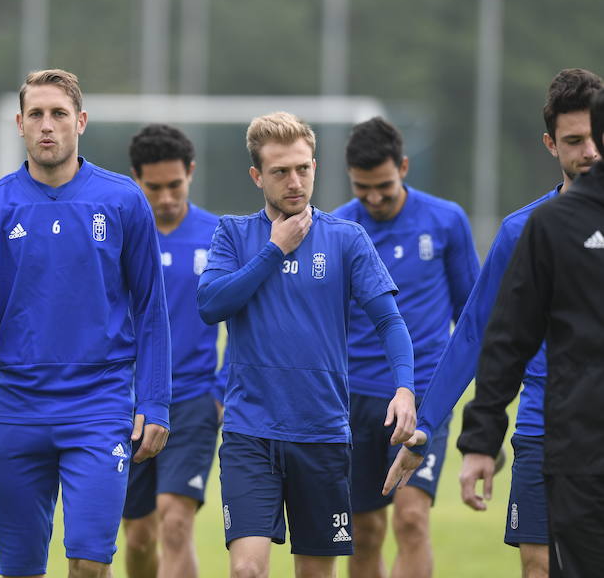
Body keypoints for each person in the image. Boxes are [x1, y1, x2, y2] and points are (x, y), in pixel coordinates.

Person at [0, 69, 171, 578]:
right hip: (17, 407)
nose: (48, 125)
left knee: (90, 563)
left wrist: (155, 401)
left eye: (60, 114)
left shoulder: (123, 200)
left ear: (81, 122)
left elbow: (152, 311)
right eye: (37, 115)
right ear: (20, 124)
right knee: (20, 569)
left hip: (99, 405)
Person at [383, 68, 603, 578]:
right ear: (551, 144)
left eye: (595, 137)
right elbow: (478, 334)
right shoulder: (523, 231)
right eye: (573, 141)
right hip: (543, 428)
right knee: (540, 567)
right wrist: (430, 426)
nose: (588, 151)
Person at [197, 111, 416, 578]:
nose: (294, 181)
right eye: (280, 171)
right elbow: (210, 304)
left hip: (321, 434)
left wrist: (404, 389)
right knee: (247, 571)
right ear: (258, 176)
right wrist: (273, 250)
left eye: (303, 168)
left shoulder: (347, 239)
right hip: (250, 432)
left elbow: (390, 322)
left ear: (314, 166)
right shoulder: (234, 234)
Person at [332, 117, 479, 578]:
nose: (373, 198)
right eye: (362, 188)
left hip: (424, 396)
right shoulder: (337, 228)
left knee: (412, 519)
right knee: (365, 532)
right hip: (354, 399)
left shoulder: (446, 220)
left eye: (384, 187)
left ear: (404, 167)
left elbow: (472, 317)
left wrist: (486, 406)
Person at [121, 124, 222, 578]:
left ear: (192, 173)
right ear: (135, 179)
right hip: (127, 405)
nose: (165, 197)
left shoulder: (220, 237)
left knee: (176, 523)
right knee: (139, 537)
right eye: (154, 187)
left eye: (175, 185)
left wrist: (221, 392)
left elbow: (245, 322)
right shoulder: (118, 236)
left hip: (194, 401)